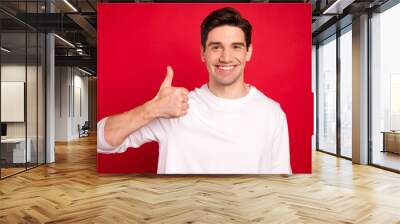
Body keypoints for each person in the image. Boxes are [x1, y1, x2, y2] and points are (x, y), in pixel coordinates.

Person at [97, 7, 291, 174]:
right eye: (216, 47)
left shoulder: (271, 113)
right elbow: (102, 141)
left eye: (236, 47)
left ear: (248, 52)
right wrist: (151, 110)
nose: (226, 57)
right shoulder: (174, 107)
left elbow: (281, 184)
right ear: (203, 53)